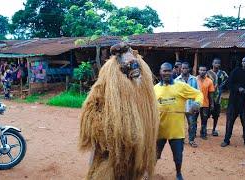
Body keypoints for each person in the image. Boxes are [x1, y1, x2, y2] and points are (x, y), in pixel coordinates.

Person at [79, 43, 159, 180]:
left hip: (135, 146)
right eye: (129, 65)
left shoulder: (143, 89)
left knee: (133, 170)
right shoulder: (108, 81)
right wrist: (107, 133)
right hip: (112, 148)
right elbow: (91, 110)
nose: (134, 68)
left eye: (135, 64)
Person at [155, 62, 203, 180]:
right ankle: (149, 171)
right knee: (154, 155)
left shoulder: (181, 86)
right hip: (159, 130)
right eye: (164, 70)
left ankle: (178, 173)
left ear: (173, 71)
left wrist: (197, 104)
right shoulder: (154, 89)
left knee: (177, 156)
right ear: (160, 72)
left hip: (176, 131)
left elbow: (198, 94)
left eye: (169, 70)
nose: (166, 73)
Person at [221, 56, 245, 149]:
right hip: (234, 102)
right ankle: (226, 140)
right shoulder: (236, 71)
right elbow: (229, 83)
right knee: (230, 122)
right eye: (243, 61)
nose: (244, 63)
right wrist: (238, 88)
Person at [175, 62, 199, 147]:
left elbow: (198, 93)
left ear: (189, 69)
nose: (184, 70)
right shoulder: (177, 80)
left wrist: (197, 105)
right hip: (180, 107)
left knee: (192, 124)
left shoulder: (194, 79)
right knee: (180, 125)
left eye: (186, 68)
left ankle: (191, 140)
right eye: (183, 68)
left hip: (191, 107)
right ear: (180, 69)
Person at [207, 58, 228, 136]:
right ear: (212, 63)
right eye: (215, 63)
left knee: (216, 115)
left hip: (218, 98)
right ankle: (204, 129)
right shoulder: (208, 73)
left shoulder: (223, 73)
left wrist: (221, 86)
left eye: (219, 63)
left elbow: (227, 80)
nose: (217, 64)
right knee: (206, 114)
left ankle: (214, 129)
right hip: (208, 97)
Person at [197, 65, 215, 140]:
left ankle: (203, 133)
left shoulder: (209, 81)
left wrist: (212, 104)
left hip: (205, 104)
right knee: (194, 119)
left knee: (204, 119)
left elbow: (211, 94)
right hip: (196, 103)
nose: (202, 71)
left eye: (204, 70)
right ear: (198, 71)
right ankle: (193, 132)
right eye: (201, 70)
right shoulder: (194, 79)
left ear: (206, 71)